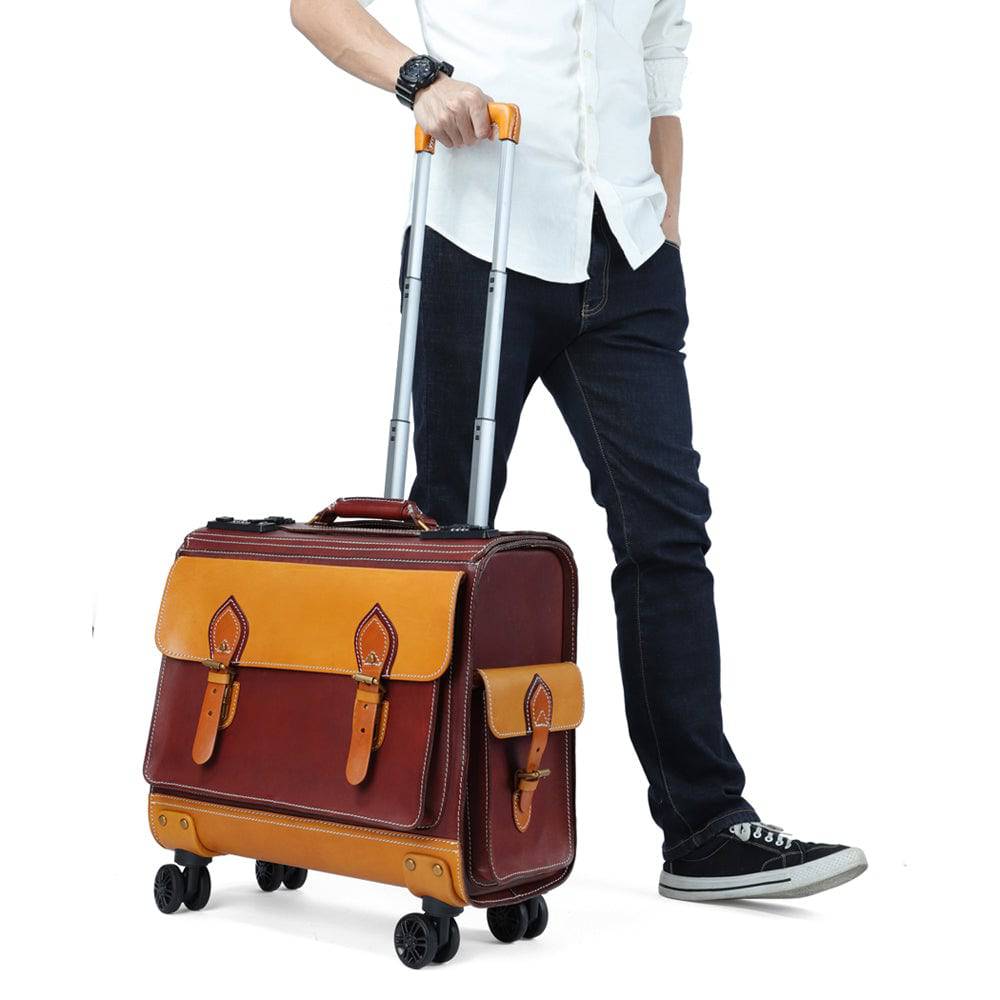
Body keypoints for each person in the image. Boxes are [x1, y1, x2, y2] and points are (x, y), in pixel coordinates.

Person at [291, 0, 867, 901]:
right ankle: (418, 809)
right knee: (449, 534)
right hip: (480, 237)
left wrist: (665, 229)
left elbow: (658, 65)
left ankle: (705, 827)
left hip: (629, 257)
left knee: (667, 532)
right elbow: (312, 5)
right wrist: (418, 79)